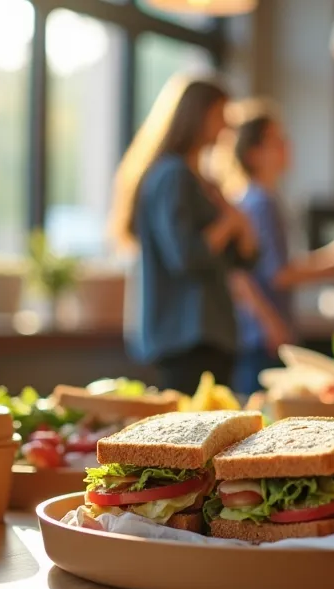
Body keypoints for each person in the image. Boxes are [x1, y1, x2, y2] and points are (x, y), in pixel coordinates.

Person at [111, 74, 259, 392]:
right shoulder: (173, 176)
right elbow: (185, 255)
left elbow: (241, 260)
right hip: (187, 337)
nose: (226, 127)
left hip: (209, 333)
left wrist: (240, 228)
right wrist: (229, 224)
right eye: (221, 115)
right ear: (198, 115)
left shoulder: (202, 180)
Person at [213, 100, 334, 395]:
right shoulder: (261, 203)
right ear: (254, 153)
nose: (287, 146)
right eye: (277, 141)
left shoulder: (254, 199)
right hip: (264, 338)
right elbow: (278, 274)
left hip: (258, 334)